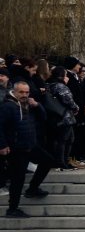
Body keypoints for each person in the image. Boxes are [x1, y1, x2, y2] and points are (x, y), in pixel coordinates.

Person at [0, 82, 57, 218]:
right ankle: (12, 209)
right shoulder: (8, 106)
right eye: (21, 92)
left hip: (30, 144)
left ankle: (32, 189)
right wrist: (2, 145)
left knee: (48, 161)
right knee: (18, 179)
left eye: (27, 92)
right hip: (16, 148)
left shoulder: (28, 104)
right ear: (14, 92)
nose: (24, 95)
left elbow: (43, 117)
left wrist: (37, 105)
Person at [46, 67, 80, 171]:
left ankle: (62, 161)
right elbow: (68, 99)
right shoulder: (60, 86)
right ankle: (62, 161)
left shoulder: (49, 85)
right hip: (65, 117)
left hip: (55, 116)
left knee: (63, 139)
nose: (67, 77)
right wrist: (76, 107)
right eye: (65, 75)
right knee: (65, 140)